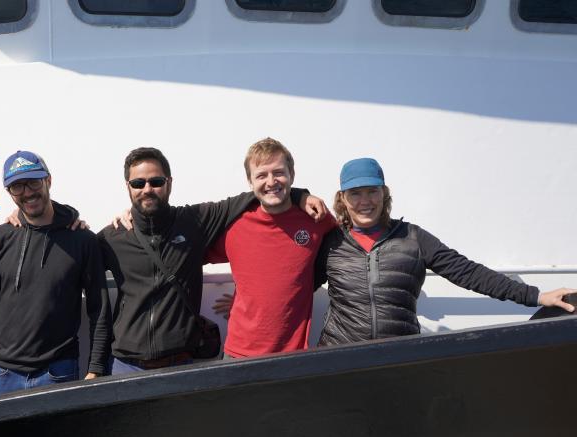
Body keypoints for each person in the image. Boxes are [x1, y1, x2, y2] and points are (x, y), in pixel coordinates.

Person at [99, 146, 327, 374]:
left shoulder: (194, 221)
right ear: (127, 187)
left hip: (183, 364)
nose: (147, 189)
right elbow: (77, 266)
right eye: (138, 183)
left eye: (156, 181)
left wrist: (300, 195)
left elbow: (264, 193)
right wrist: (72, 219)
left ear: (169, 182)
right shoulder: (114, 237)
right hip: (126, 366)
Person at [314, 157, 576, 346]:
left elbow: (468, 273)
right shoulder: (330, 242)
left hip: (397, 359)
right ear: (342, 199)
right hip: (340, 357)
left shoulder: (413, 237)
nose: (365, 201)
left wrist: (538, 296)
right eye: (355, 193)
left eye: (372, 191)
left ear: (384, 194)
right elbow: (292, 287)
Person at [0, 151, 112, 397]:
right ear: (9, 193)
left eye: (33, 182)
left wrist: (96, 368)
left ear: (48, 180)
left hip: (59, 372)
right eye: (17, 187)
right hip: (5, 376)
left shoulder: (81, 240)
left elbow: (99, 309)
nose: (27, 193)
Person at [205, 138, 338, 358]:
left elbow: (345, 247)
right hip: (239, 355)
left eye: (278, 172)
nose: (271, 181)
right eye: (261, 175)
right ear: (250, 181)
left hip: (294, 355)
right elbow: (185, 254)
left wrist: (302, 195)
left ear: (291, 175)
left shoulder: (315, 219)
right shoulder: (234, 226)